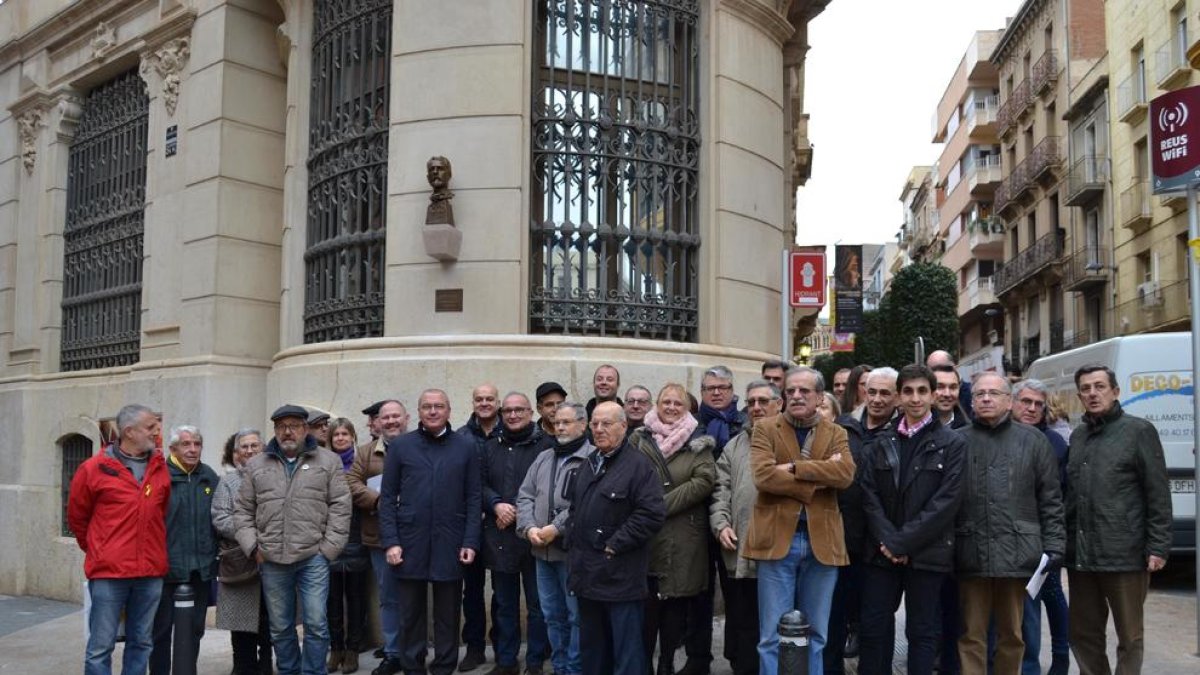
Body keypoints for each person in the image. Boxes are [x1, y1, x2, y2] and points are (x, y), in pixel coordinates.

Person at [744, 367, 856, 675]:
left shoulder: (837, 433)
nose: (795, 396)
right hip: (778, 541)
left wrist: (793, 468)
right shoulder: (766, 428)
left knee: (817, 634)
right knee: (771, 636)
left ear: (820, 397)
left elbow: (845, 475)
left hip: (823, 544)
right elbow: (764, 477)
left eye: (804, 391)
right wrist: (820, 473)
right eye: (790, 391)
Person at [858, 365, 966, 675]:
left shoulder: (953, 443)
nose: (915, 398)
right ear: (898, 397)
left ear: (933, 396)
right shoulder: (881, 441)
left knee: (921, 633)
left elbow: (946, 502)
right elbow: (869, 495)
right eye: (908, 391)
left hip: (927, 554)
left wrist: (903, 542)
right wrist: (889, 542)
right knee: (873, 629)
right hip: (881, 553)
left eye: (922, 391)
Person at [1066, 365, 1172, 675]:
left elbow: (1158, 493)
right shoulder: (1079, 436)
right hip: (1082, 558)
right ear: (1079, 396)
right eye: (1086, 388)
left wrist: (1159, 546)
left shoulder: (1139, 431)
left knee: (1130, 636)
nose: (1093, 393)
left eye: (1099, 386)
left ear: (1115, 391)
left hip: (1125, 554)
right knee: (1083, 635)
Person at [955, 374, 1063, 675]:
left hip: (1018, 553)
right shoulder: (958, 440)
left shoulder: (1033, 441)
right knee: (970, 635)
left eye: (993, 393)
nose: (986, 398)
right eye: (979, 394)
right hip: (970, 551)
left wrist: (1054, 545)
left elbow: (1051, 499)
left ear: (1008, 401)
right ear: (972, 401)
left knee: (1013, 635)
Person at [233, 404, 352, 675]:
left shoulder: (327, 461)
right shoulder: (256, 464)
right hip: (271, 559)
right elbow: (242, 511)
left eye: (294, 426)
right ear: (274, 430)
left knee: (316, 624)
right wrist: (253, 547)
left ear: (305, 428)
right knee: (280, 626)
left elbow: (341, 506)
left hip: (314, 558)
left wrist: (328, 549)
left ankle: (312, 672)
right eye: (282, 426)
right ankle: (289, 670)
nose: (288, 432)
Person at [379, 389, 482, 675]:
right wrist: (391, 542)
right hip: (409, 542)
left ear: (449, 410)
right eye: (427, 406)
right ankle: (413, 667)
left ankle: (444, 667)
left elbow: (473, 498)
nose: (433, 411)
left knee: (448, 615)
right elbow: (387, 498)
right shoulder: (401, 446)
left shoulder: (466, 446)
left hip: (452, 540)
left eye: (439, 406)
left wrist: (470, 540)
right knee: (410, 614)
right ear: (419, 412)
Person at [564, 402, 665, 675]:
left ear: (623, 426)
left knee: (627, 653)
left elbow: (652, 514)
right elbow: (575, 509)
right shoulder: (589, 463)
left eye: (606, 424)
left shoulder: (639, 466)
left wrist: (615, 543)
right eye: (595, 424)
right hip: (587, 576)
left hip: (620, 577)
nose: (598, 429)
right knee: (593, 651)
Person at [68, 404, 169, 675]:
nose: (157, 431)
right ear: (129, 432)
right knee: (101, 646)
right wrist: (101, 551)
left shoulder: (160, 467)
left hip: (150, 573)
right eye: (150, 427)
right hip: (109, 575)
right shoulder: (94, 469)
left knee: (141, 642)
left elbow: (161, 512)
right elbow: (78, 518)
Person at [630, 384, 717, 675]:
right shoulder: (638, 439)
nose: (670, 407)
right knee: (645, 607)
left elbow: (704, 480)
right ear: (656, 404)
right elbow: (626, 477)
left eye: (677, 403)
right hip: (645, 536)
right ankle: (643, 665)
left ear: (687, 408)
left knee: (675, 606)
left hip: (683, 535)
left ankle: (667, 663)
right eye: (665, 402)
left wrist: (660, 506)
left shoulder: (700, 440)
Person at [826, 369, 896, 674]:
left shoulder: (902, 433)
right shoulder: (843, 427)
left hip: (882, 547)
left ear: (897, 396)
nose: (877, 399)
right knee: (832, 621)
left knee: (875, 625)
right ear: (862, 392)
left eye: (885, 393)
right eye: (872, 391)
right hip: (840, 542)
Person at [516, 402, 593, 675]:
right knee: (552, 616)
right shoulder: (544, 457)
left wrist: (555, 528)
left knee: (576, 618)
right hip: (541, 554)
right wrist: (528, 528)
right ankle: (560, 667)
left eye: (567, 422)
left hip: (571, 554)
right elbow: (524, 495)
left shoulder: (592, 458)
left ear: (583, 425)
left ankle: (574, 669)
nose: (559, 427)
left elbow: (582, 504)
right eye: (557, 422)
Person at [711, 380, 781, 675]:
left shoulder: (791, 441)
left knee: (774, 625)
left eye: (763, 401)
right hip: (739, 550)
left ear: (779, 404)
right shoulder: (734, 444)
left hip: (779, 553)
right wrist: (721, 524)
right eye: (751, 402)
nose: (756, 407)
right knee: (743, 624)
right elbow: (719, 491)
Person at [481, 392, 554, 675]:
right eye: (508, 411)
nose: (513, 415)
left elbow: (548, 490)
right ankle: (506, 660)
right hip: (499, 538)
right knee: (504, 604)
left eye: (519, 410)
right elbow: (480, 483)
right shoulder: (489, 447)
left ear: (530, 412)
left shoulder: (547, 447)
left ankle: (535, 660)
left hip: (535, 538)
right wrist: (496, 504)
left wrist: (514, 513)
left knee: (538, 605)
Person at [1010, 380, 1070, 675]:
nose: (1031, 408)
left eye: (1038, 404)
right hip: (1008, 538)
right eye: (1026, 402)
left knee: (1048, 594)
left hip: (1044, 538)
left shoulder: (1055, 443)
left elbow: (1060, 494)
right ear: (1012, 403)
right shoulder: (1001, 435)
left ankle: (1058, 656)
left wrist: (1055, 541)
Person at [150, 425, 220, 675]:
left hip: (200, 572)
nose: (192, 449)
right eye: (186, 444)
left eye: (197, 444)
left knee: (193, 632)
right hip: (164, 571)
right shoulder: (158, 476)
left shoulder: (209, 477)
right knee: (160, 633)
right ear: (173, 448)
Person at [347, 400, 410, 675]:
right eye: (386, 418)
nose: (392, 421)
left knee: (415, 595)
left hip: (415, 535)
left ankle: (413, 649)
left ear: (406, 418)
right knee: (389, 597)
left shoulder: (419, 446)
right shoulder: (365, 452)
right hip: (379, 537)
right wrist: (380, 501)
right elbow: (351, 483)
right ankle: (394, 652)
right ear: (377, 423)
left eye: (396, 416)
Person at [213, 429, 273, 675]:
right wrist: (251, 536)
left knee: (270, 620)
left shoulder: (275, 476)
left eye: (254, 446)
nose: (249, 451)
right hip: (240, 562)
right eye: (244, 447)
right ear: (237, 453)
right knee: (241, 623)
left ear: (264, 449)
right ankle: (243, 667)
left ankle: (266, 664)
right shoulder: (227, 482)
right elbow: (220, 518)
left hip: (272, 560)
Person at [458, 384, 502, 671]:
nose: (484, 403)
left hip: (502, 523)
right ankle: (474, 648)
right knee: (471, 592)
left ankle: (502, 644)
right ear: (472, 403)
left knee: (503, 590)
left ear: (497, 402)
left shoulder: (510, 431)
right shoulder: (460, 438)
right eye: (479, 399)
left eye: (489, 399)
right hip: (469, 524)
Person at [326, 418, 370, 674]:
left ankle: (352, 650)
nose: (340, 438)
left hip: (358, 537)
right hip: (330, 539)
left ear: (353, 436)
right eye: (336, 435)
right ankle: (336, 649)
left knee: (356, 599)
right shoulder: (323, 464)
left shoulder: (360, 462)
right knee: (332, 601)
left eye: (345, 434)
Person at [926, 351, 972, 417]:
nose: (947, 394)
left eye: (953, 387)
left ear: (954, 368)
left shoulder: (972, 393)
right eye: (939, 387)